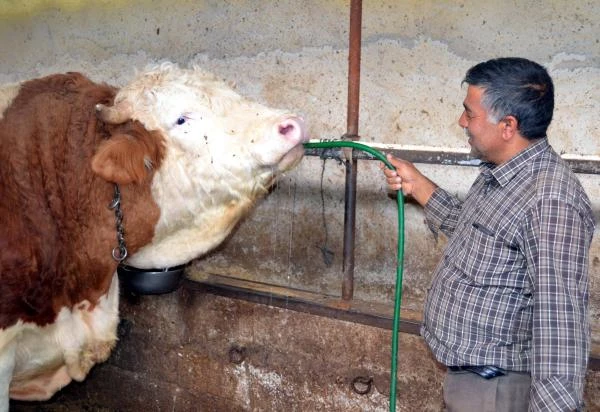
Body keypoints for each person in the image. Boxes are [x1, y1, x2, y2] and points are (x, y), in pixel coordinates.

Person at [381, 57, 595, 411]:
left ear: (508, 125)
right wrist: (417, 185)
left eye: (470, 113)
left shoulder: (550, 200)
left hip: (497, 392)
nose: (462, 121)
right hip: (473, 382)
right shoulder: (502, 173)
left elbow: (561, 331)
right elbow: (472, 233)